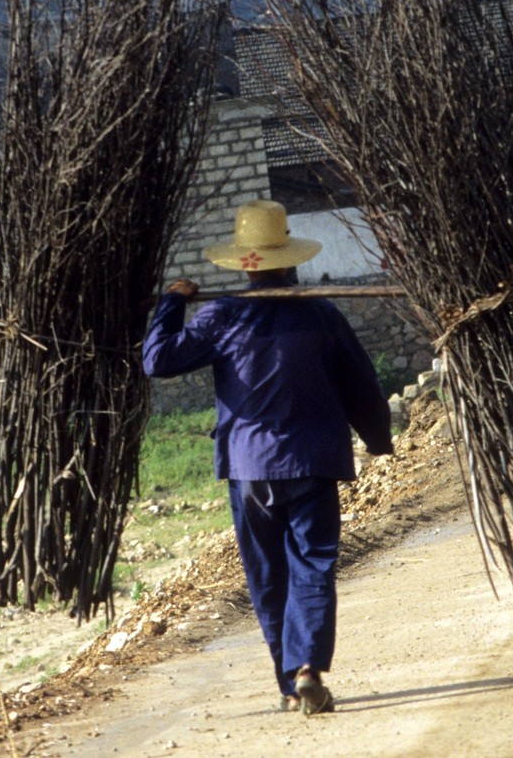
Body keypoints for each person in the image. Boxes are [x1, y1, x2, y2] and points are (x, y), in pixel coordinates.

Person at [142, 199, 393, 717]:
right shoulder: (320, 314)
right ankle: (308, 669)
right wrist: (376, 438)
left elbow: (157, 359)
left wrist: (171, 302)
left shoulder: (221, 316)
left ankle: (289, 686)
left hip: (251, 469)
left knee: (268, 577)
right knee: (313, 565)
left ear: (242, 262)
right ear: (288, 257)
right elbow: (360, 383)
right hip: (313, 461)